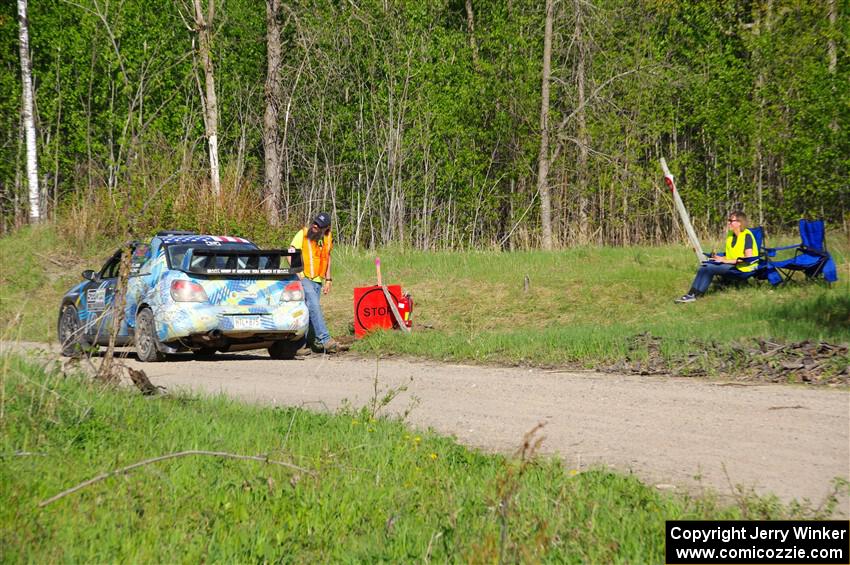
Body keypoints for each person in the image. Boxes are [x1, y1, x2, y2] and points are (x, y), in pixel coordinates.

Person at [675, 211, 758, 303]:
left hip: (744, 269)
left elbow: (748, 259)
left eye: (731, 221)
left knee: (710, 268)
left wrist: (724, 260)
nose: (728, 223)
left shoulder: (747, 236)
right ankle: (691, 294)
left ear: (739, 223)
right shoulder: (731, 235)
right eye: (728, 220)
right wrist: (719, 258)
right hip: (734, 265)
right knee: (705, 266)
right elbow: (731, 254)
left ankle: (696, 295)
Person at [290, 212, 340, 353]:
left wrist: (328, 279)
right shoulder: (303, 233)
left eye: (319, 226)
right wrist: (297, 272)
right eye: (315, 223)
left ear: (327, 228)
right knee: (314, 305)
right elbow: (291, 252)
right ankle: (325, 339)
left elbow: (327, 258)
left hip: (318, 280)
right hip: (304, 278)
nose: (315, 226)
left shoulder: (328, 238)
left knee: (310, 311)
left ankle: (300, 345)